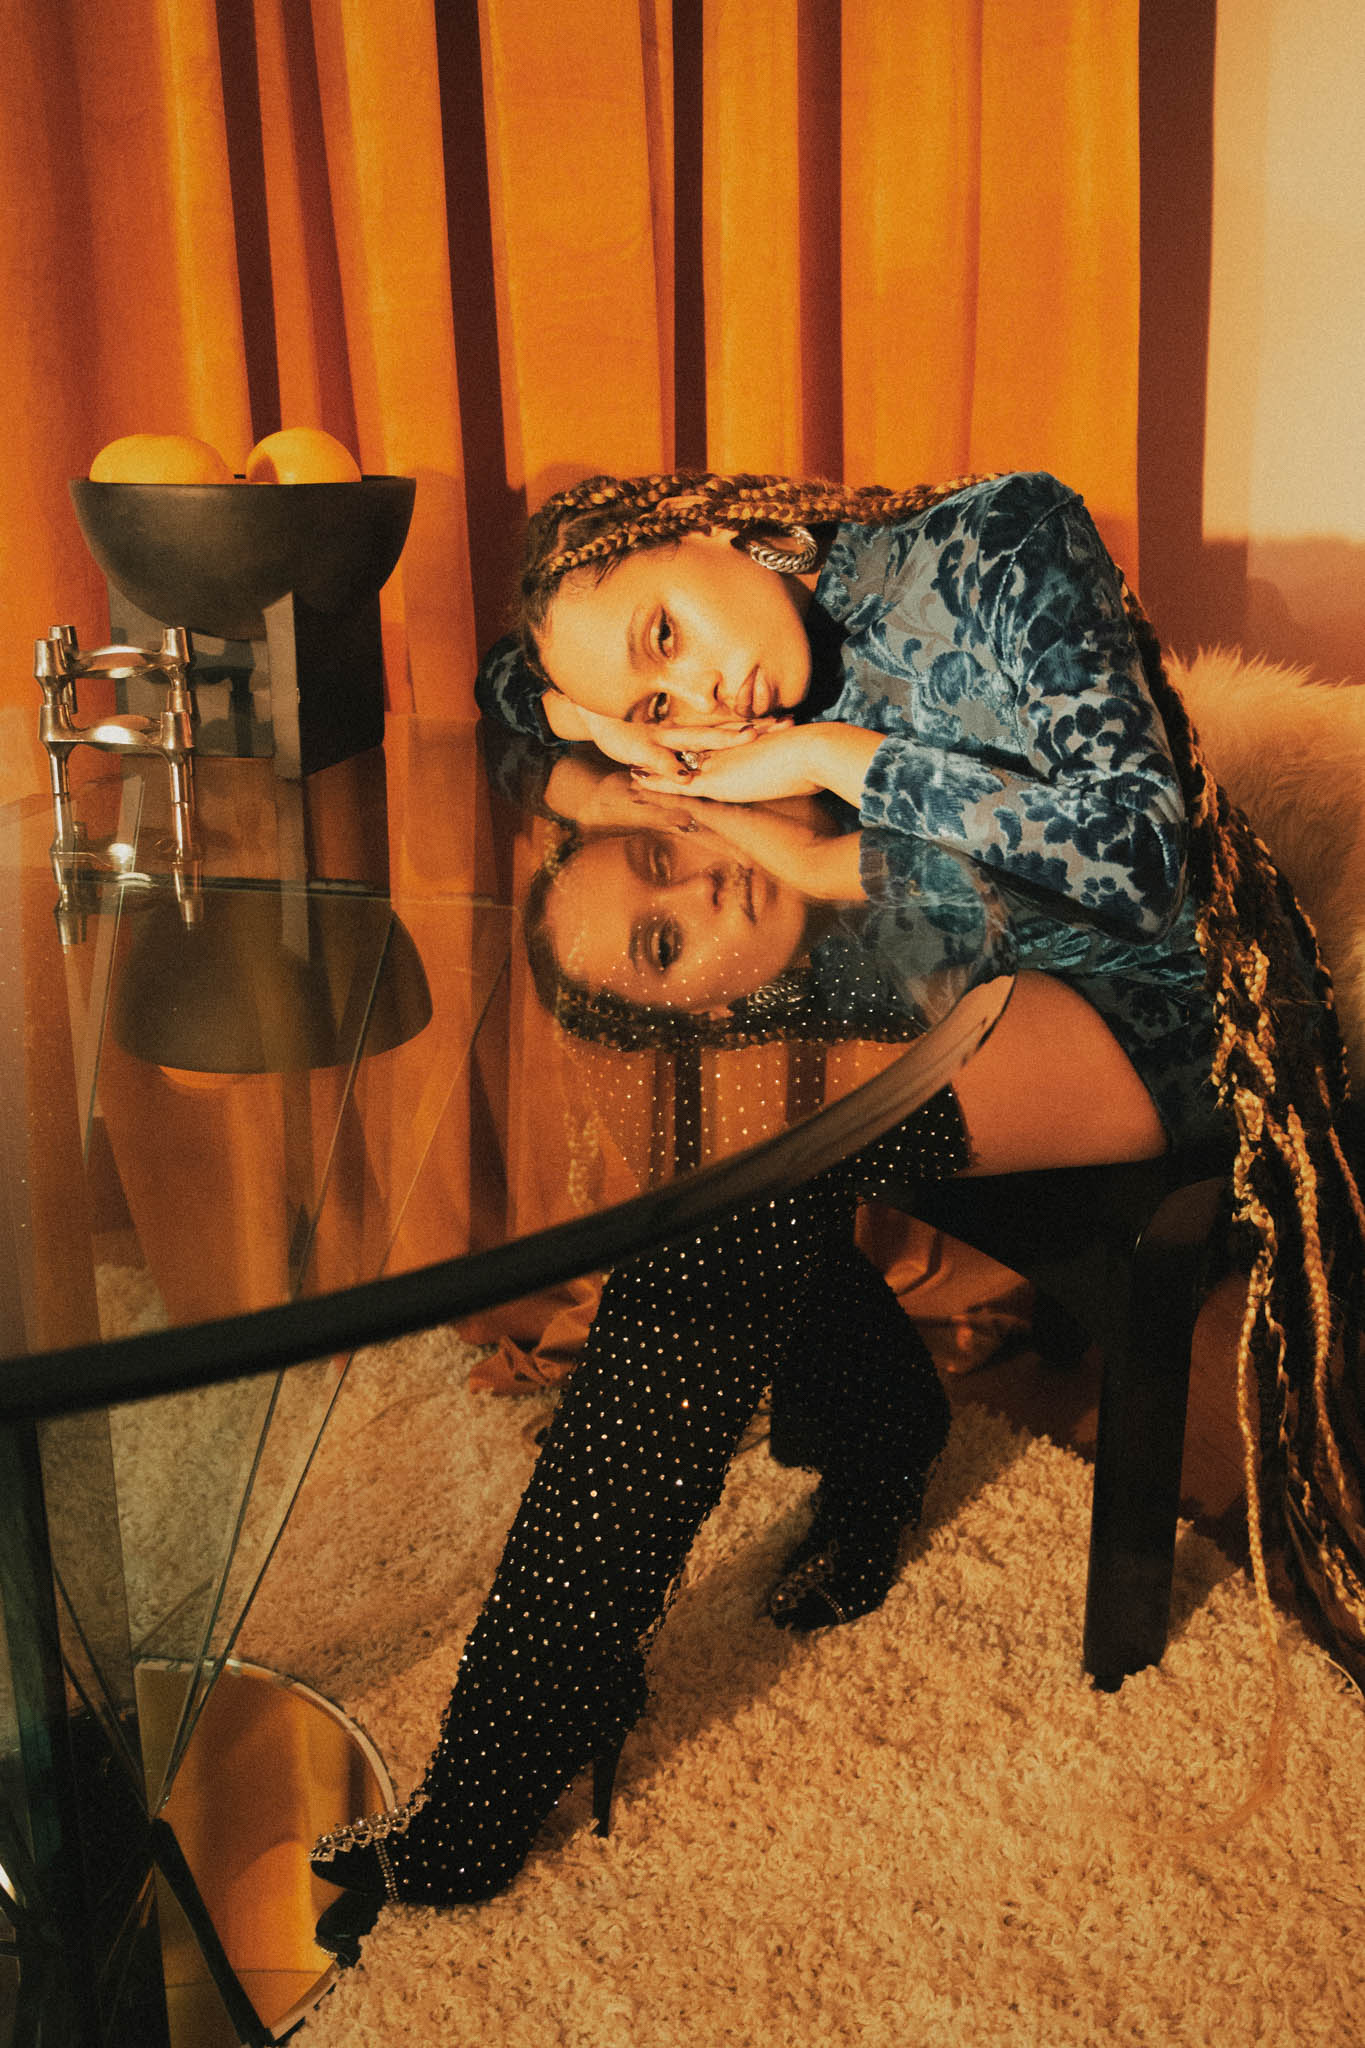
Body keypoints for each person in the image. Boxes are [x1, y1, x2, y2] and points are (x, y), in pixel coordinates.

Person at [311, 469, 1365, 1953]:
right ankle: (874, 1430)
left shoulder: (1001, 540)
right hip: (949, 956)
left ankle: (497, 1769)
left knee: (738, 1186)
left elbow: (1137, 850)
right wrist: (601, 725)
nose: (701, 699)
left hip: (1172, 991)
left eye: (668, 634)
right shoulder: (678, 674)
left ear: (709, 531)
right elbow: (510, 685)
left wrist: (829, 760)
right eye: (657, 699)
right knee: (699, 1104)